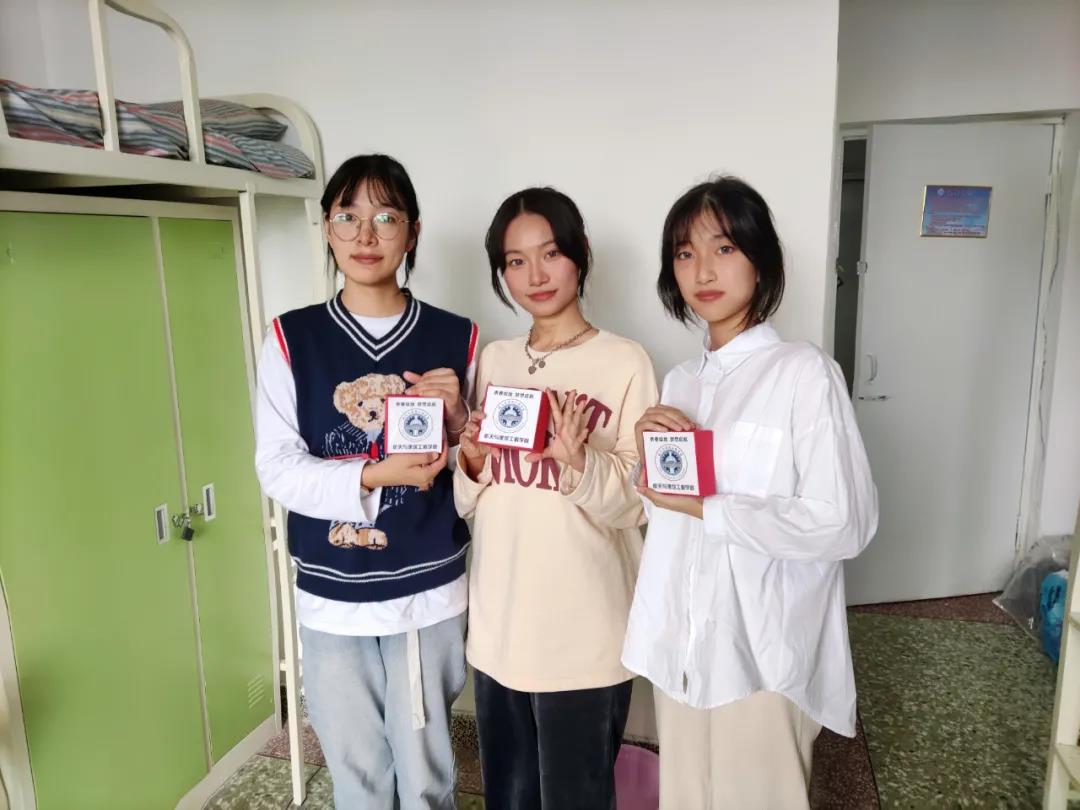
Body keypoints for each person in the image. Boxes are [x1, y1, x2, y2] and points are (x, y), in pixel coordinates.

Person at [623, 176, 878, 809]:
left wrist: (707, 508)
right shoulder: (681, 380)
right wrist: (647, 463)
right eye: (685, 254)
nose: (703, 270)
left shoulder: (803, 373)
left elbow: (843, 522)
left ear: (760, 260)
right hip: (681, 644)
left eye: (724, 248)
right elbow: (661, 508)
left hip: (762, 651)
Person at [255, 154, 478, 809]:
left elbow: (480, 468)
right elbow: (276, 467)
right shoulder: (291, 339)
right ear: (327, 229)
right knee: (358, 777)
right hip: (332, 591)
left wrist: (459, 422)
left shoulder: (458, 337)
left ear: (412, 231)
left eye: (385, 217)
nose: (365, 235)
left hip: (428, 589)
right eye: (346, 217)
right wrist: (375, 474)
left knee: (427, 774)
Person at [454, 187, 658, 810]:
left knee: (577, 797)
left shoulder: (624, 361)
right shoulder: (495, 359)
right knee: (509, 796)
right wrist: (471, 460)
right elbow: (471, 500)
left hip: (584, 635)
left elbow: (639, 504)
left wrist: (579, 465)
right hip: (499, 631)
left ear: (580, 253)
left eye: (550, 254)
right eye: (516, 261)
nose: (535, 276)